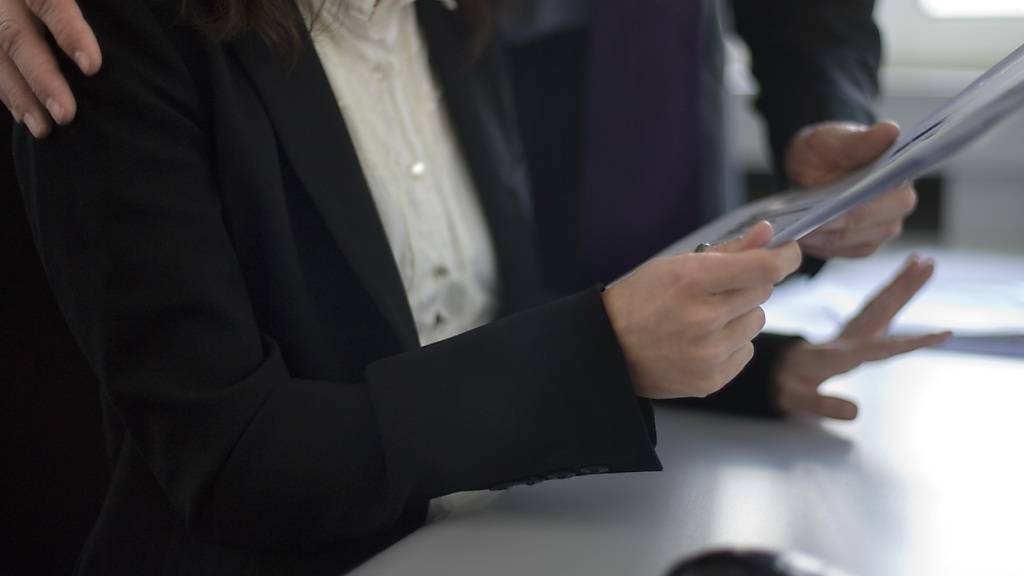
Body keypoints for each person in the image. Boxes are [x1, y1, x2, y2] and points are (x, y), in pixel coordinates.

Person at [2, 1, 947, 574]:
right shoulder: (108, 42)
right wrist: (603, 352)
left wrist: (746, 368)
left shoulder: (453, 21)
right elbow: (235, 463)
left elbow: (483, 324)